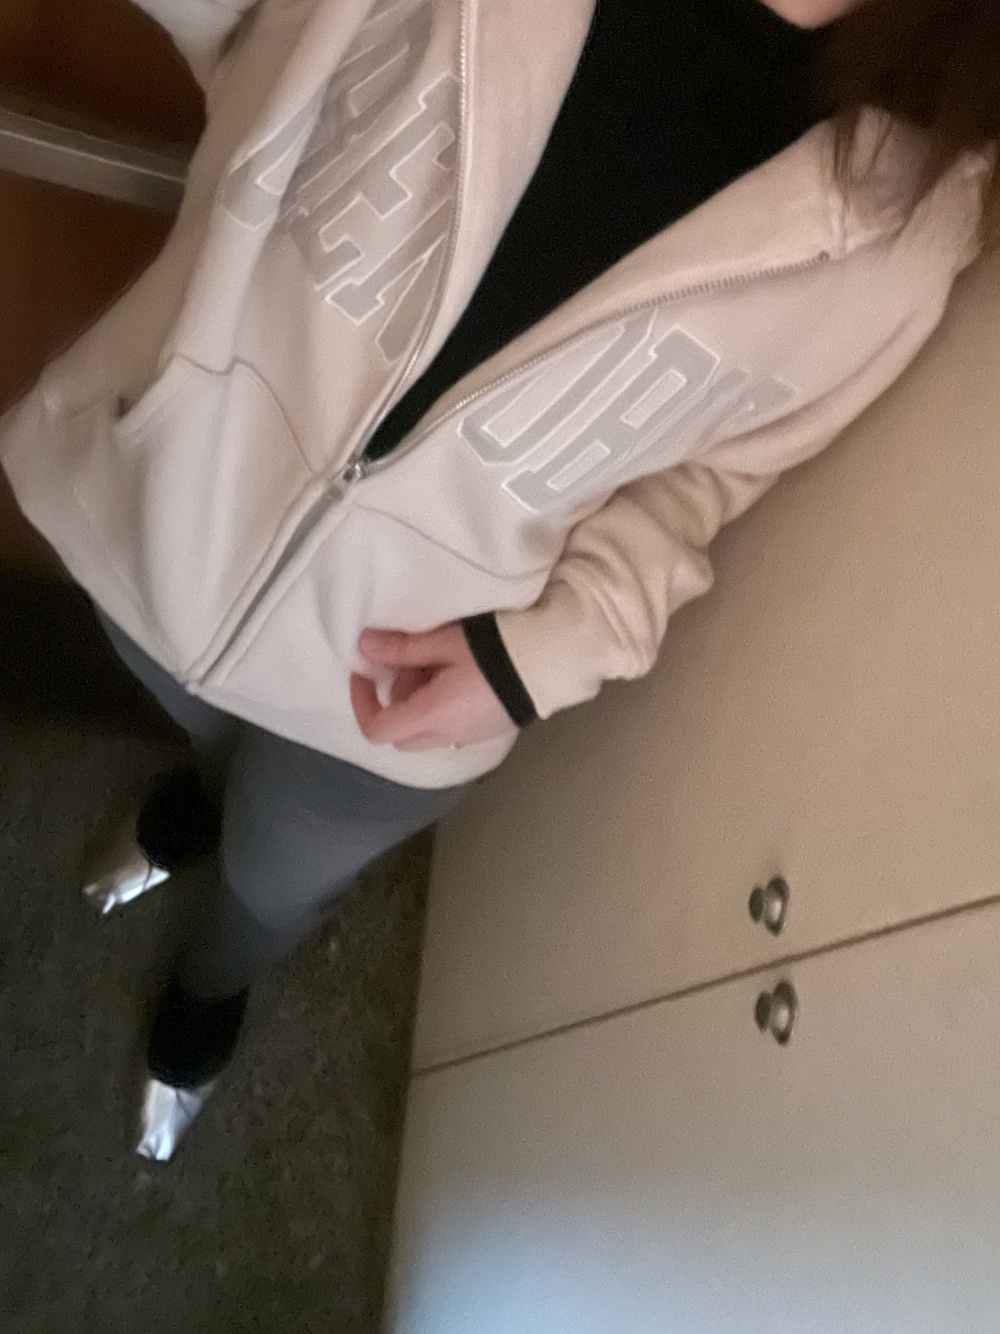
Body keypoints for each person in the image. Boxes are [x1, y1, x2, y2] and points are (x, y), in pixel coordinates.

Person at [2, 0, 997, 1159]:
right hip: (163, 516)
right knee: (198, 734)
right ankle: (194, 807)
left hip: (402, 695)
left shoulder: (914, 220)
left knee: (273, 884)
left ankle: (208, 988)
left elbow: (708, 479)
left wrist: (540, 655)